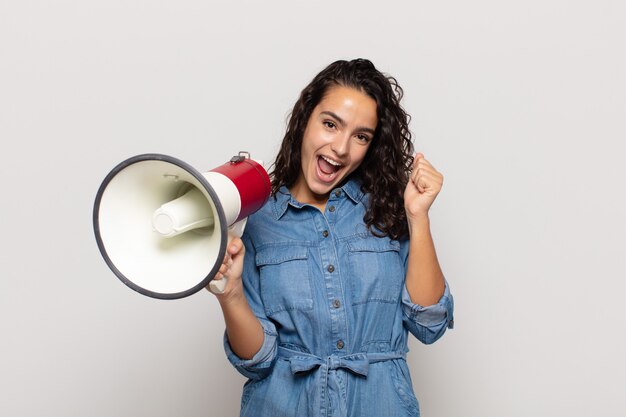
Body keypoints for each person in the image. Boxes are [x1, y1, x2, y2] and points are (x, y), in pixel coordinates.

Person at [208, 58, 454, 417]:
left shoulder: (388, 209)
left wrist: (418, 217)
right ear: (304, 120)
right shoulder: (256, 220)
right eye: (330, 124)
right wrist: (229, 294)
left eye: (360, 136)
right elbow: (256, 362)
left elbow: (429, 323)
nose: (340, 148)